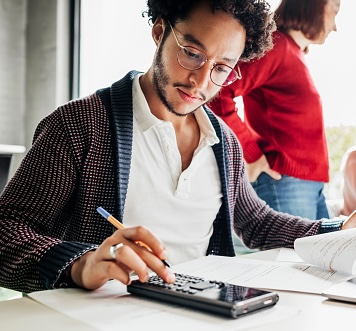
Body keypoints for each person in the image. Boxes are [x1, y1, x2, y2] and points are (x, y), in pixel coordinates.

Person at [0, 0, 355, 295]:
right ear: (158, 33)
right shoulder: (79, 125)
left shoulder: (224, 143)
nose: (201, 82)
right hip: (103, 317)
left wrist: (336, 230)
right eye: (192, 53)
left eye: (221, 68)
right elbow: (7, 229)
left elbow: (258, 223)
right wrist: (80, 263)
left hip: (200, 314)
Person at [209, 0, 340, 220]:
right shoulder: (276, 46)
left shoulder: (292, 52)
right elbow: (217, 93)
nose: (335, 26)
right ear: (313, 6)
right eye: (334, 11)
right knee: (293, 256)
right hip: (285, 182)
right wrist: (252, 153)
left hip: (308, 185)